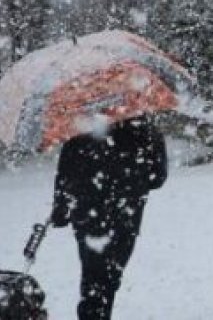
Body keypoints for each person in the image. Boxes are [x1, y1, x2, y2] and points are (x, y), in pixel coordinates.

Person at [50, 115, 168, 319]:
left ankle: (94, 311)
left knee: (93, 275)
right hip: (125, 213)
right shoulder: (142, 126)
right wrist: (133, 180)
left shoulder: (81, 125)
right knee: (109, 276)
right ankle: (98, 310)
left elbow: (66, 173)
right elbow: (157, 177)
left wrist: (61, 208)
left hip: (88, 213)